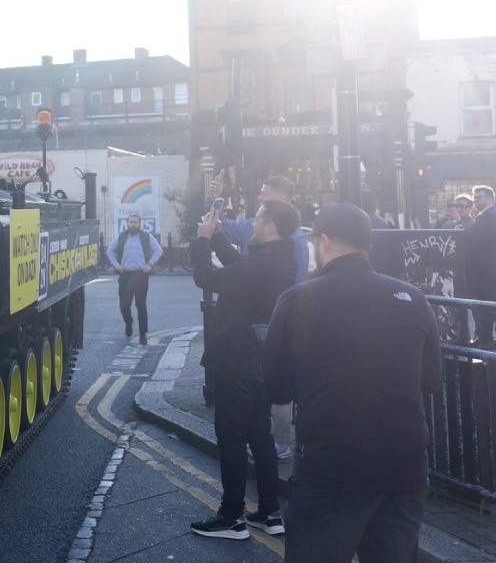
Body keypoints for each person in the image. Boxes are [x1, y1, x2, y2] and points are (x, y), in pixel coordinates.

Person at [262, 203, 441, 562]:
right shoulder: (414, 298)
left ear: (324, 241)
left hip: (331, 468)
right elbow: (430, 381)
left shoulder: (297, 300)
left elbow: (274, 384)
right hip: (404, 469)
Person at [188, 199, 299, 541]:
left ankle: (231, 517)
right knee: (258, 435)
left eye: (258, 218)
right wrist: (219, 237)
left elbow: (206, 276)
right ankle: (269, 513)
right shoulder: (280, 259)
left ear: (270, 227)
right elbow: (239, 266)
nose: (252, 222)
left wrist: (203, 240)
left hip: (236, 359)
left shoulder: (261, 266)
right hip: (260, 359)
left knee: (232, 438)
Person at [210, 173, 309, 283]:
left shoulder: (297, 240)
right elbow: (225, 228)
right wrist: (215, 199)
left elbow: (299, 284)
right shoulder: (253, 225)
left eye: (264, 194)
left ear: (282, 199)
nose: (259, 197)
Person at [106, 215, 163, 345]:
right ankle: (129, 322)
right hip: (125, 275)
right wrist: (116, 265)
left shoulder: (146, 236)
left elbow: (158, 250)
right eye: (131, 222)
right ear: (127, 223)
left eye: (135, 222)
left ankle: (143, 335)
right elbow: (109, 250)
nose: (133, 224)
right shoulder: (121, 237)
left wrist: (150, 264)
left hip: (141, 275)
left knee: (141, 305)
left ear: (139, 224)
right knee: (124, 306)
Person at [463, 185, 496, 345]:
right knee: (482, 303)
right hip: (483, 269)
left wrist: (462, 224)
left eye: (478, 197)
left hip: (485, 270)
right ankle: (483, 335)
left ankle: (484, 336)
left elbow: (480, 238)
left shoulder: (491, 215)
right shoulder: (485, 215)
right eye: (474, 197)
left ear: (489, 197)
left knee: (483, 303)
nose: (475, 200)